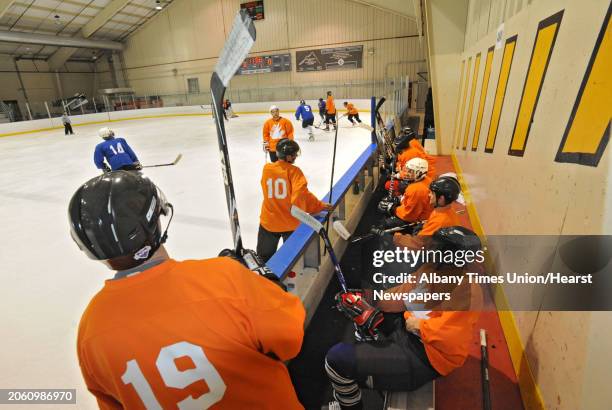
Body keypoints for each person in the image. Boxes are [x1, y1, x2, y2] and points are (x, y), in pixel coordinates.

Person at [69, 171, 306, 410]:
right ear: (155, 221)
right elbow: (290, 339)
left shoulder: (91, 330)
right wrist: (263, 282)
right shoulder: (223, 277)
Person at [325, 226, 482, 410]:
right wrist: (369, 298)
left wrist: (419, 326)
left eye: (437, 247)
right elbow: (404, 295)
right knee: (366, 317)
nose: (430, 249)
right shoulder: (432, 268)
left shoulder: (467, 290)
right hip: (409, 331)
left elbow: (452, 338)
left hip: (428, 357)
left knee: (337, 360)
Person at [258, 139, 333, 262]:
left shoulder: (266, 168)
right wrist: (319, 206)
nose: (295, 157)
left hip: (268, 222)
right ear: (288, 157)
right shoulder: (294, 172)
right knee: (291, 260)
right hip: (290, 223)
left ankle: (262, 280)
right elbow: (301, 196)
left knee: (263, 259)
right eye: (294, 154)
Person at [379, 158, 433, 229]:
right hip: (423, 213)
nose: (406, 173)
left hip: (419, 221)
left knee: (385, 224)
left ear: (420, 173)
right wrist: (399, 199)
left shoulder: (416, 190)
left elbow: (409, 216)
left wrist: (393, 209)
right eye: (407, 170)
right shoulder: (426, 179)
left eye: (410, 171)